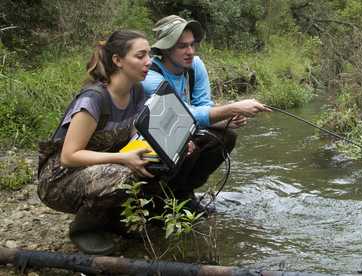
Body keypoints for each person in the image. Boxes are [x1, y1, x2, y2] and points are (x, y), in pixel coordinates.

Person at [37, 30, 155, 255]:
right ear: (118, 60)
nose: (148, 62)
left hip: (98, 170)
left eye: (149, 55)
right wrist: (122, 158)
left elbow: (133, 138)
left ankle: (111, 220)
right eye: (140, 56)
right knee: (123, 174)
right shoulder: (94, 99)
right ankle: (84, 229)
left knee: (152, 164)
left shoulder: (137, 91)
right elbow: (69, 156)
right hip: (58, 180)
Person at [141, 15, 270, 208]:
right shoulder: (150, 76)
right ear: (165, 49)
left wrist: (223, 120)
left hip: (183, 131)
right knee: (187, 143)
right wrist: (232, 108)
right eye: (182, 46)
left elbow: (203, 106)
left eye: (192, 45)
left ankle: (184, 193)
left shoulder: (195, 66)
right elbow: (179, 115)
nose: (190, 52)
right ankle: (159, 198)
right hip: (154, 141)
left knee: (226, 136)